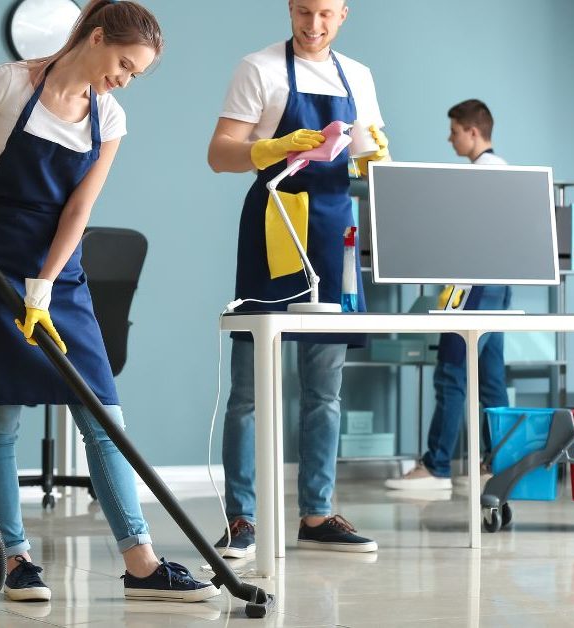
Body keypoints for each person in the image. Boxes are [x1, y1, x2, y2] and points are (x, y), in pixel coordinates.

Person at [0, 0, 218, 604]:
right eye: (124, 63)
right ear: (96, 37)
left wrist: (45, 285)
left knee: (103, 418)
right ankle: (15, 561)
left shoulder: (111, 119)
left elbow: (79, 209)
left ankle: (142, 563)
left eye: (136, 74)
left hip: (60, 274)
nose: (125, 79)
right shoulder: (10, 83)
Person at [206, 0, 389, 557]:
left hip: (335, 233)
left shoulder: (357, 76)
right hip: (274, 224)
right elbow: (219, 154)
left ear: (344, 15)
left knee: (325, 388)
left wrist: (376, 154)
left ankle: (317, 513)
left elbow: (367, 156)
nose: (314, 26)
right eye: (305, 12)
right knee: (248, 390)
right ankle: (242, 519)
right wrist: (272, 147)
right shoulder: (257, 68)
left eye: (326, 14)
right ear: (290, 9)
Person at [385, 99, 512, 490]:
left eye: (455, 131)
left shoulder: (479, 176)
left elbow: (465, 236)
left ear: (473, 132)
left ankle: (436, 466)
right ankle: (499, 464)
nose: (449, 138)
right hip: (498, 286)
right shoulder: (504, 171)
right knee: (490, 379)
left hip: (474, 288)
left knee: (451, 374)